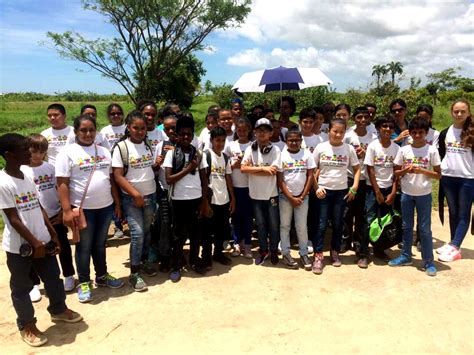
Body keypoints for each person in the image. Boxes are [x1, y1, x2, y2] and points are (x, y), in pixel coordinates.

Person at [0, 133, 83, 347]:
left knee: (53, 278)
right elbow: (14, 219)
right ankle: (27, 325)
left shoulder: (26, 175)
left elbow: (37, 205)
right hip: (21, 247)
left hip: (42, 239)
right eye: (24, 149)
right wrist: (34, 242)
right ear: (9, 155)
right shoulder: (3, 182)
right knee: (21, 286)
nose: (29, 152)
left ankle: (58, 309)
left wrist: (51, 232)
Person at [56, 115, 124, 303]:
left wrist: (117, 204)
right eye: (83, 130)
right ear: (76, 132)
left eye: (91, 130)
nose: (88, 134)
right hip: (83, 209)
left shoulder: (104, 151)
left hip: (105, 206)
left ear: (96, 131)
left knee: (100, 244)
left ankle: (102, 275)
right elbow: (62, 183)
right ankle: (84, 282)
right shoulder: (67, 153)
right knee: (84, 246)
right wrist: (67, 210)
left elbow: (111, 180)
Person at [21, 134, 76, 298]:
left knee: (63, 246)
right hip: (32, 219)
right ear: (27, 151)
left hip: (54, 215)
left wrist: (62, 210)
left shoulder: (51, 168)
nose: (38, 155)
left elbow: (61, 189)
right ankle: (34, 284)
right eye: (34, 151)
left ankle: (68, 275)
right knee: (34, 250)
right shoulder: (22, 170)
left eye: (42, 152)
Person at [112, 111, 158, 291]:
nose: (139, 131)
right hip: (132, 199)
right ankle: (134, 272)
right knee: (137, 233)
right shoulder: (121, 148)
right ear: (128, 128)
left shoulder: (147, 145)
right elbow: (117, 176)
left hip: (151, 195)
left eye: (143, 128)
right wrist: (135, 194)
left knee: (147, 231)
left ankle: (144, 261)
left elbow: (146, 168)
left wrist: (157, 164)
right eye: (135, 128)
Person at [388, 118, 441, 276]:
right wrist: (405, 171)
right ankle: (405, 255)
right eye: (414, 132)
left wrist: (422, 171)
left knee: (424, 229)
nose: (417, 135)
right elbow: (396, 173)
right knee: (406, 226)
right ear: (409, 133)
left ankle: (428, 261)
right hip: (406, 194)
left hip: (424, 195)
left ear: (426, 133)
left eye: (421, 132)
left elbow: (438, 175)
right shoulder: (404, 150)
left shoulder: (431, 150)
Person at [164, 114, 209, 282]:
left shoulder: (198, 154)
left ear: (192, 135)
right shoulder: (171, 154)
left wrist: (204, 202)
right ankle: (175, 265)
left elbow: (204, 180)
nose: (185, 137)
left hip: (196, 199)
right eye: (182, 134)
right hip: (178, 200)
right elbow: (169, 179)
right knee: (178, 235)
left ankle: (194, 261)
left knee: (196, 233)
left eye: (188, 134)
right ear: (176, 135)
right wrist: (189, 167)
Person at [312, 118, 360, 274]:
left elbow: (357, 169)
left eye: (341, 132)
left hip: (341, 192)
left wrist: (354, 187)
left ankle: (334, 252)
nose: (338, 134)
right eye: (335, 131)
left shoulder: (349, 149)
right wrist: (316, 187)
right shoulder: (321, 147)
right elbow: (312, 170)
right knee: (321, 224)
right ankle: (318, 255)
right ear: (329, 131)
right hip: (324, 192)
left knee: (339, 224)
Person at [437, 99, 473, 262]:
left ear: (468, 113)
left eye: (462, 111)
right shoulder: (445, 132)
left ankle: (455, 246)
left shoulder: (472, 132)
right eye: (456, 111)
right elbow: (442, 154)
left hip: (467, 178)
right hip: (448, 177)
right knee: (453, 212)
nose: (459, 114)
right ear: (451, 112)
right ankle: (453, 244)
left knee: (463, 213)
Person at [241, 118, 282, 265]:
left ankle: (273, 250)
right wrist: (264, 168)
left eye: (265, 130)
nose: (262, 133)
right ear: (254, 132)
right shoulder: (250, 149)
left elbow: (273, 171)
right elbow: (243, 168)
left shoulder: (276, 150)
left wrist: (254, 169)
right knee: (260, 224)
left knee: (273, 224)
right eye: (259, 130)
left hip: (271, 194)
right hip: (255, 194)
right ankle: (263, 250)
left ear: (271, 133)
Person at [361, 116, 400, 265]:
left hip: (389, 189)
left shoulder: (397, 148)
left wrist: (392, 192)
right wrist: (377, 191)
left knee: (384, 221)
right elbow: (370, 170)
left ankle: (379, 249)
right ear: (378, 128)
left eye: (390, 127)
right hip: (373, 189)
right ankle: (364, 252)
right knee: (368, 219)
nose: (387, 129)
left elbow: (397, 172)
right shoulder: (373, 146)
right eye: (384, 126)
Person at [341, 107, 377, 258]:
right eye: (359, 117)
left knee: (361, 213)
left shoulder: (373, 136)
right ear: (354, 119)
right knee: (346, 211)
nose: (362, 120)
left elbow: (376, 155)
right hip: (349, 177)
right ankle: (345, 240)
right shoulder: (348, 136)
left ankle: (359, 241)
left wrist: (366, 154)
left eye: (365, 117)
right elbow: (341, 153)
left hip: (366, 179)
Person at [277, 128, 315, 270]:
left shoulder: (306, 154)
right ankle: (286, 253)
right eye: (290, 140)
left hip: (303, 197)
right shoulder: (281, 156)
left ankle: (304, 253)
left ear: (301, 141)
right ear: (286, 141)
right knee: (285, 226)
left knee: (301, 226)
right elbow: (280, 180)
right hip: (285, 197)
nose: (294, 142)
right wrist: (290, 197)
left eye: (297, 140)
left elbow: (311, 176)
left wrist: (303, 196)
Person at [201, 127, 236, 269]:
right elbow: (203, 178)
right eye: (217, 140)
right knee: (207, 230)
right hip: (211, 200)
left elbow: (227, 177)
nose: (220, 143)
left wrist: (232, 197)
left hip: (223, 199)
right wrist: (204, 202)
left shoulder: (225, 157)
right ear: (211, 141)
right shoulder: (205, 155)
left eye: (223, 140)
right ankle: (206, 256)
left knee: (222, 229)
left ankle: (218, 253)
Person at [153, 115, 178, 272]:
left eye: (173, 128)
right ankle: (164, 256)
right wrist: (157, 164)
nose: (170, 131)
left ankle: (178, 253)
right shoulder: (160, 145)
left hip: (180, 192)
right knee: (164, 224)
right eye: (166, 128)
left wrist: (176, 152)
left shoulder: (185, 144)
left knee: (177, 225)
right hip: (163, 190)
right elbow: (155, 170)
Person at [100, 103, 127, 239]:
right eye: (113, 114)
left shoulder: (127, 127)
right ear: (108, 116)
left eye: (118, 113)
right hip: (111, 168)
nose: (116, 116)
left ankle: (127, 221)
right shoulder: (104, 131)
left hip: (127, 168)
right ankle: (118, 226)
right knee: (115, 197)